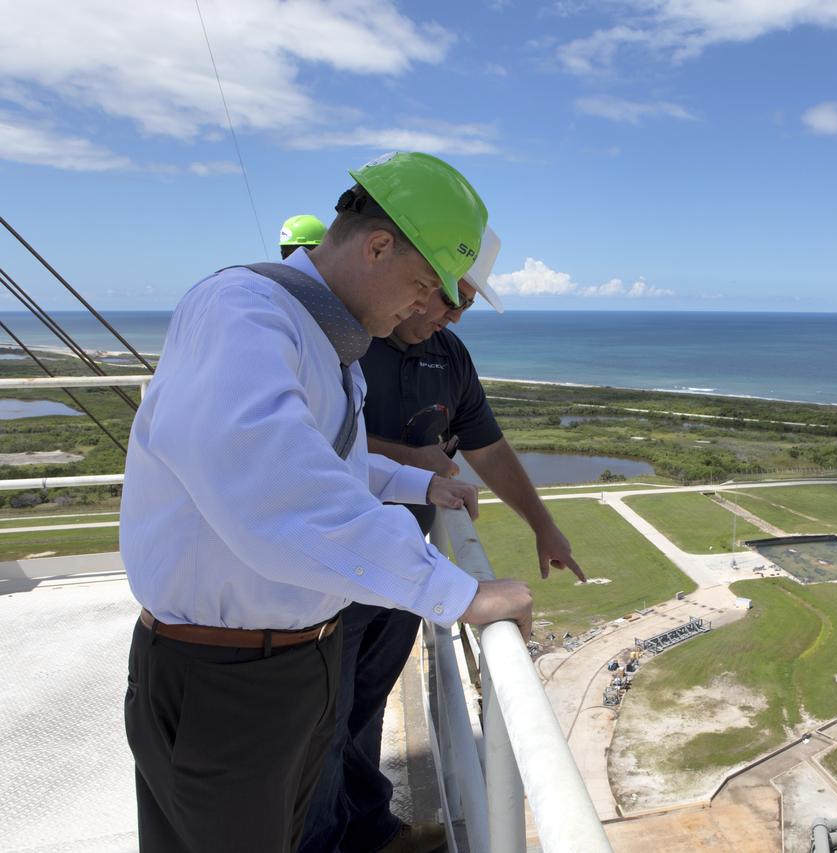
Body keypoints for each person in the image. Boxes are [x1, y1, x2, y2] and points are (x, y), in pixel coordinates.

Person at [119, 151, 533, 853]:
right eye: (428, 286)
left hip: (282, 668)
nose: (432, 312)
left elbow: (330, 465)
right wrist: (458, 591)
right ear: (376, 245)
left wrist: (418, 484)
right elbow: (277, 493)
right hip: (225, 681)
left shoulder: (324, 341)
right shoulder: (243, 313)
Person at [301, 226, 585, 853]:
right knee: (322, 720)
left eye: (465, 303)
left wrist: (544, 525)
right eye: (443, 293)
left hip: (406, 572)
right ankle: (330, 837)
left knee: (366, 706)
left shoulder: (448, 355)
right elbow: (307, 440)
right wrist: (413, 459)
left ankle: (368, 829)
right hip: (335, 569)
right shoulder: (345, 342)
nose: (452, 312)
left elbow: (487, 447)